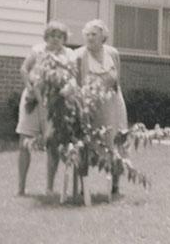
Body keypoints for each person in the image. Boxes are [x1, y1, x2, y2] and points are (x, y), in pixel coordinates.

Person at [15, 20, 75, 196]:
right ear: (46, 37)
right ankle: (21, 187)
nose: (55, 39)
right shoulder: (38, 50)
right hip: (32, 101)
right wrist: (29, 87)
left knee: (53, 144)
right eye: (52, 36)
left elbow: (72, 75)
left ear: (64, 38)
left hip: (55, 102)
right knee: (25, 142)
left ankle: (49, 187)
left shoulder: (69, 54)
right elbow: (24, 70)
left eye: (59, 36)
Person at [76, 19, 128, 197]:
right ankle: (84, 188)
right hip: (90, 106)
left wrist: (119, 109)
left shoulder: (113, 53)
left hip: (113, 105)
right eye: (87, 35)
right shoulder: (79, 55)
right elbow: (76, 84)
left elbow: (117, 82)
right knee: (86, 144)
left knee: (116, 142)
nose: (90, 38)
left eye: (94, 35)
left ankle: (115, 186)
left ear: (103, 37)